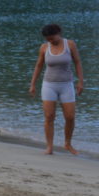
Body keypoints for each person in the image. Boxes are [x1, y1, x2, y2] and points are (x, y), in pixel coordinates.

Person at [29, 23, 84, 155]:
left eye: (52, 38)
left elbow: (77, 62)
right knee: (49, 116)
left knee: (70, 117)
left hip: (66, 85)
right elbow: (38, 66)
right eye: (47, 39)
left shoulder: (69, 44)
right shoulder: (44, 48)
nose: (50, 41)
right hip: (49, 85)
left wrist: (80, 82)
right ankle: (49, 147)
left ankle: (67, 143)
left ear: (58, 33)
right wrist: (32, 84)